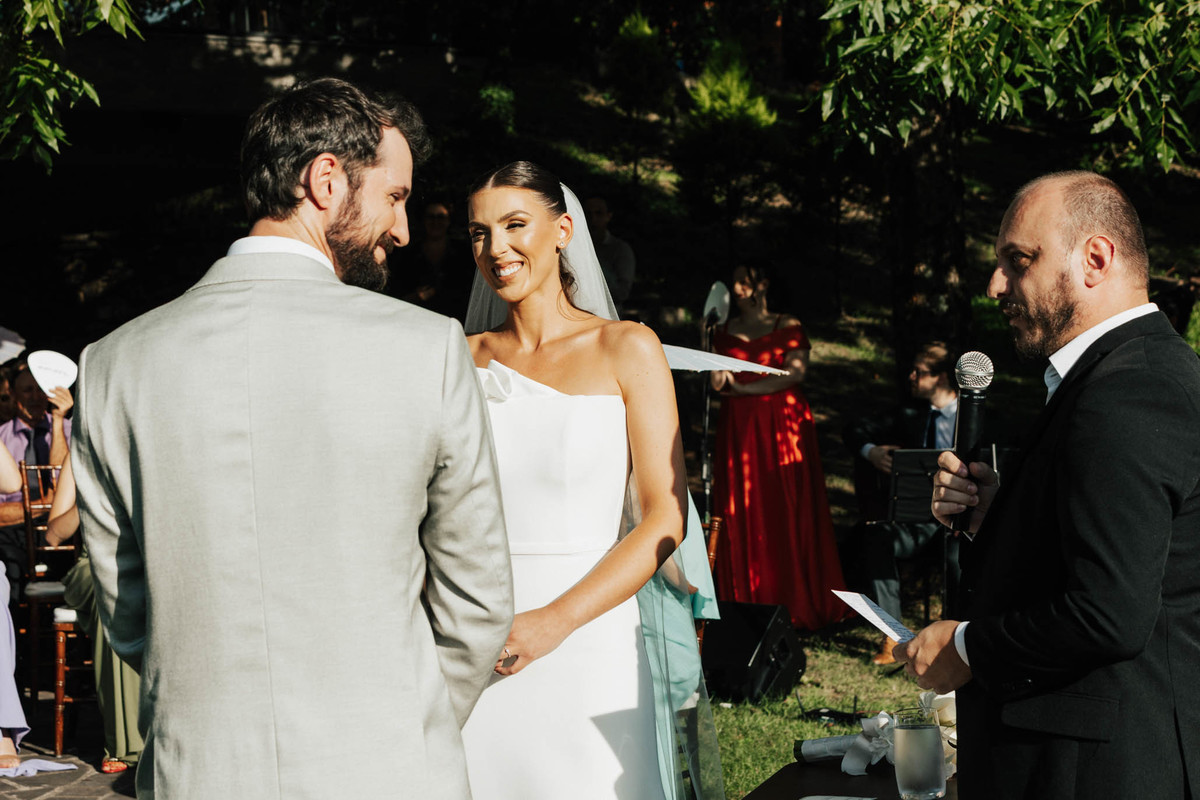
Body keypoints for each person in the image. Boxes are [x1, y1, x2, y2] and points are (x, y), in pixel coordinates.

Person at [71, 77, 514, 800]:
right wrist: (407, 720)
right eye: (395, 197)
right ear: (326, 180)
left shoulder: (114, 364)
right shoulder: (428, 348)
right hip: (386, 768)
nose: (403, 230)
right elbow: (478, 599)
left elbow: (126, 607)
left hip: (200, 771)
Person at [900, 171, 1200, 799]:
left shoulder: (1130, 390)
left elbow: (1109, 613)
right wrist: (999, 516)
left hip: (1094, 773)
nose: (995, 284)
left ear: (1096, 259)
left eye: (1019, 260)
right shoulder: (1128, 375)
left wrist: (967, 647)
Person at [459, 161, 722, 799]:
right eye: (479, 233)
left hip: (590, 631)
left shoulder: (627, 348)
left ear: (563, 231)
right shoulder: (460, 356)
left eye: (515, 225)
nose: (496, 248)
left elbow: (664, 517)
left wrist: (556, 620)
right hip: (477, 637)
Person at [710, 261, 849, 630]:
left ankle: (797, 599)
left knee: (786, 500)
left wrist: (746, 389)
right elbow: (718, 384)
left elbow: (796, 373)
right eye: (734, 283)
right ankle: (747, 602)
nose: (738, 289)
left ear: (763, 285)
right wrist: (707, 340)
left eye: (744, 282)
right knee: (741, 503)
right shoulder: (723, 328)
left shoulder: (786, 324)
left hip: (782, 422)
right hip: (739, 426)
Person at [843, 341, 960, 663]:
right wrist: (872, 452)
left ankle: (955, 639)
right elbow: (854, 429)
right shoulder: (909, 414)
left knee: (958, 556)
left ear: (940, 377)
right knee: (876, 537)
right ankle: (892, 634)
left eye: (919, 372)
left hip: (959, 525)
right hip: (915, 521)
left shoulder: (974, 415)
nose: (911, 376)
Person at [45, 454, 143, 774]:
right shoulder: (79, 455)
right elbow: (53, 534)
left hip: (143, 561)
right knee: (112, 593)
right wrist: (89, 497)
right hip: (92, 567)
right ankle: (125, 743)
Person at [0, 359, 72, 601]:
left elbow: (62, 483)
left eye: (41, 389)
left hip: (59, 530)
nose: (35, 397)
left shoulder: (70, 430)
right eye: (27, 390)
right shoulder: (2, 439)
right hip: (12, 534)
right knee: (8, 568)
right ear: (12, 393)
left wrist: (58, 421)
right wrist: (43, 504)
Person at [389, 197, 473, 321]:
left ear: (448, 220)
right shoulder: (408, 255)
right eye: (431, 217)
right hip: (416, 321)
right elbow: (394, 297)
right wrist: (415, 296)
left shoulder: (463, 253)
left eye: (440, 217)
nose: (435, 222)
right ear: (424, 220)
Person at [583, 194, 636, 307]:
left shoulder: (620, 249)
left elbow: (622, 293)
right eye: (588, 214)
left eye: (599, 213)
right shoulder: (573, 245)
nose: (593, 219)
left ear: (608, 216)